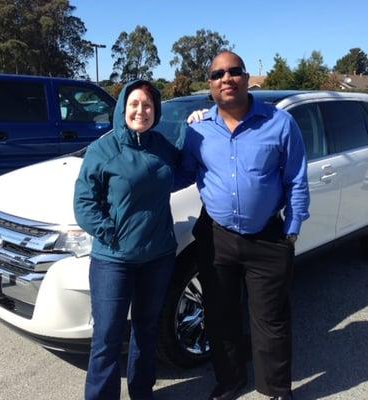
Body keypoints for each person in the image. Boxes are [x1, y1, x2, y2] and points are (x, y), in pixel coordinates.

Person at [176, 51, 310, 400]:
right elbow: (181, 172)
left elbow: (296, 178)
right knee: (220, 316)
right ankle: (231, 380)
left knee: (271, 320)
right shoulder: (198, 130)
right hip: (216, 237)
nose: (226, 78)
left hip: (267, 236)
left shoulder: (280, 124)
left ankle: (276, 389)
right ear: (210, 84)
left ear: (247, 77)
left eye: (234, 71)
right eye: (218, 74)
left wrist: (292, 228)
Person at [74, 80, 179, 400]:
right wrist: (110, 232)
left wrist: (195, 124)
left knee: (146, 331)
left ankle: (141, 392)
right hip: (113, 261)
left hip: (158, 257)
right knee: (107, 337)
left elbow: (185, 166)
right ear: (122, 108)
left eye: (147, 105)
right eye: (134, 104)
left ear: (155, 111)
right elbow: (84, 202)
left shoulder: (161, 146)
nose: (141, 111)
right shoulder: (102, 150)